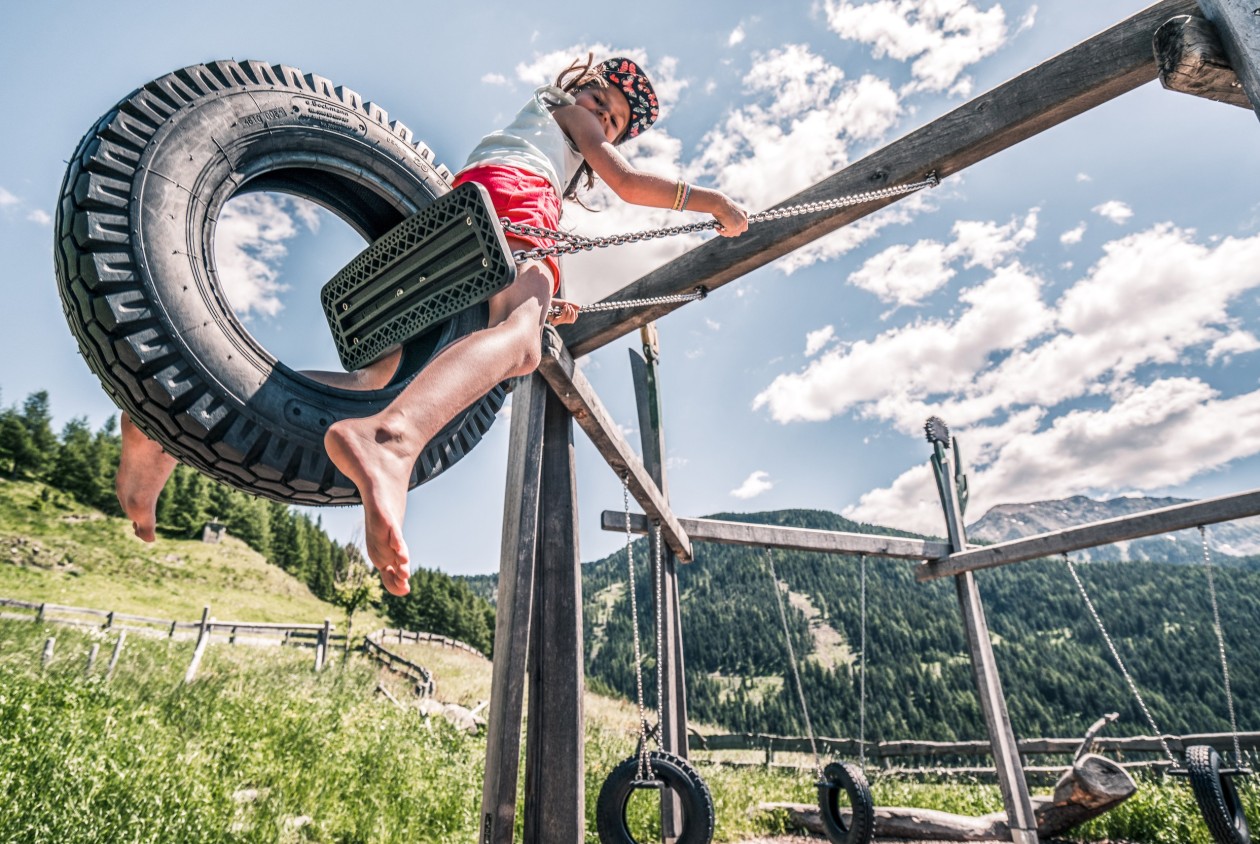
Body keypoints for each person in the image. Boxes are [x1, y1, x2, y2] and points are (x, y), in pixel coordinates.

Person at [117, 55, 749, 598]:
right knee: (522, 343)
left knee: (381, 378)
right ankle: (392, 442)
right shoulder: (565, 117)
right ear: (578, 87)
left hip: (458, 214)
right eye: (600, 101)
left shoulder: (536, 132)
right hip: (513, 200)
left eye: (612, 123)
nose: (601, 119)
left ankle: (183, 412)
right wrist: (712, 203)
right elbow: (627, 182)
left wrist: (546, 296)